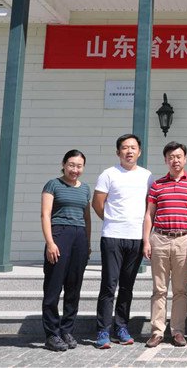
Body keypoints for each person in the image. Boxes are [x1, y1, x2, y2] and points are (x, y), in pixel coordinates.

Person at [92, 134, 153, 349]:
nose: (129, 151)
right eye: (125, 147)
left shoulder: (147, 176)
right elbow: (97, 203)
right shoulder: (108, 174)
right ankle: (102, 330)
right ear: (118, 152)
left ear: (139, 152)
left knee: (127, 286)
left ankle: (121, 327)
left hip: (136, 237)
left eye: (133, 147)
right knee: (109, 285)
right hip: (112, 236)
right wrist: (113, 221)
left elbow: (149, 206)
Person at [142, 141, 187, 348]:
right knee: (159, 289)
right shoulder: (157, 185)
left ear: (185, 159)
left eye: (178, 156)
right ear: (166, 160)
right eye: (171, 157)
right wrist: (146, 240)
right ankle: (157, 331)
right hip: (159, 238)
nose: (175, 160)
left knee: (180, 289)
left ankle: (178, 331)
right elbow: (149, 215)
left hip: (184, 240)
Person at [40, 149, 91, 352]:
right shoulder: (53, 184)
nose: (75, 169)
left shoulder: (85, 188)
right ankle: (52, 334)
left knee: (73, 287)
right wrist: (50, 243)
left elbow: (87, 218)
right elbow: (45, 215)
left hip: (80, 237)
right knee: (53, 287)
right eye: (71, 165)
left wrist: (88, 243)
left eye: (79, 166)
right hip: (59, 234)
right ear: (63, 164)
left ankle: (66, 330)